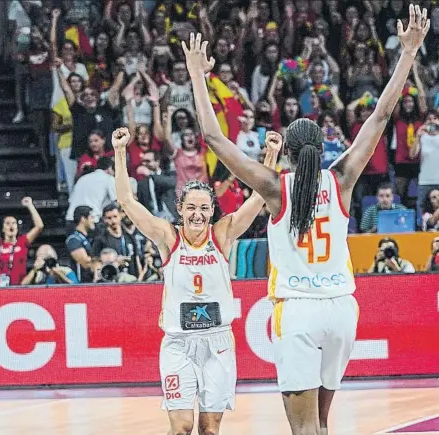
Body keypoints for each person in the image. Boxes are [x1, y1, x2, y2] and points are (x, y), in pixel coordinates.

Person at [182, 6, 429, 433]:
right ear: (320, 148)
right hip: (342, 310)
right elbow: (380, 116)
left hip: (298, 311)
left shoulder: (276, 188)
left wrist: (197, 77)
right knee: (322, 426)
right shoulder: (343, 179)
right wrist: (407, 54)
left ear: (291, 153)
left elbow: (213, 137)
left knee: (304, 431)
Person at [112, 126, 280, 435]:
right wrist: (120, 152)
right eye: (191, 207)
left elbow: (259, 198)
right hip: (178, 344)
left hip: (218, 343)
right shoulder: (168, 237)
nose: (198, 214)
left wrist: (271, 154)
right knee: (181, 427)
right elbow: (127, 201)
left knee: (209, 429)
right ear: (180, 209)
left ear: (212, 211)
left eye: (204, 208)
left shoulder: (222, 234)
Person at [0, 197, 44, 286]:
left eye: (14, 223)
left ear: (17, 228)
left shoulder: (23, 242)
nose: (11, 225)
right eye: (7, 223)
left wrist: (30, 205)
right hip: (0, 287)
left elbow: (39, 226)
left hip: (20, 286)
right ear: (3, 229)